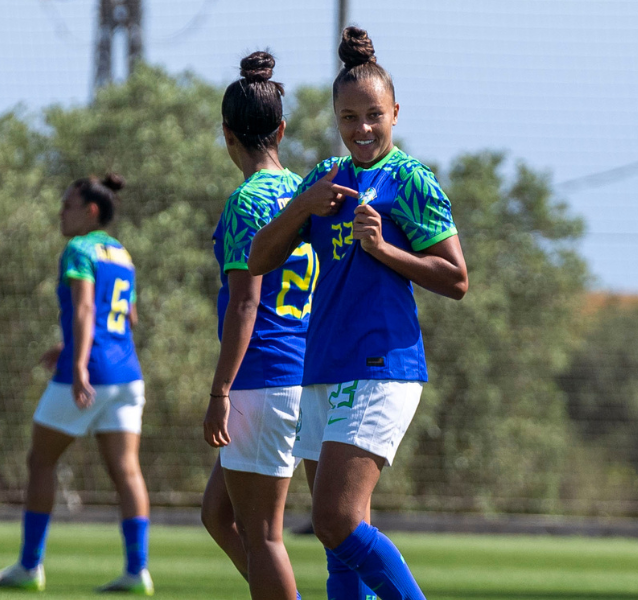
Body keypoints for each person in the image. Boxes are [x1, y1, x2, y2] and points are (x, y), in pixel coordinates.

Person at [249, 27, 469, 600]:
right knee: (336, 540)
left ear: (395, 111)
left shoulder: (411, 179)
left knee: (337, 520)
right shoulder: (326, 178)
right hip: (322, 366)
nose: (362, 129)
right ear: (335, 118)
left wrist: (386, 251)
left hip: (381, 365)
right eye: (349, 117)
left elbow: (457, 278)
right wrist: (301, 204)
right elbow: (258, 258)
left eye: (374, 115)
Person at [0, 173, 154, 595]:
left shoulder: (79, 248)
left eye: (67, 205)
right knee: (127, 472)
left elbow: (86, 308)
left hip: (89, 372)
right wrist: (70, 345)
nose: (61, 212)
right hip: (127, 373)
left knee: (40, 461)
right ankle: (138, 572)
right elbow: (125, 319)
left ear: (90, 211)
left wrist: (77, 364)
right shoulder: (122, 254)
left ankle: (29, 566)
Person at [199, 51, 313, 600]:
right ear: (282, 129)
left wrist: (220, 390)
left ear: (227, 135)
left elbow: (245, 305)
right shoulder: (304, 191)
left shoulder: (247, 202)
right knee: (217, 513)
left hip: (262, 376)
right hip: (302, 373)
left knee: (265, 536)